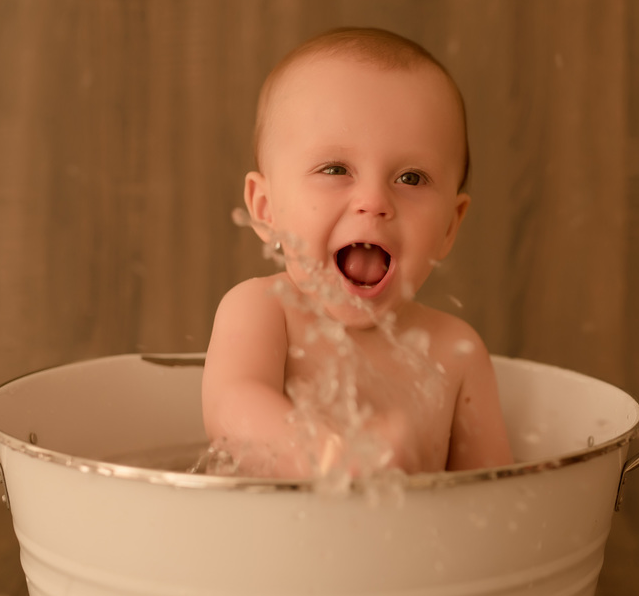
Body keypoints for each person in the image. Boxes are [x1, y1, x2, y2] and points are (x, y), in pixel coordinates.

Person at [201, 27, 513, 479]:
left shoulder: (457, 354)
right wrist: (334, 459)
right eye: (335, 169)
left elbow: (499, 500)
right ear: (266, 209)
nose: (374, 201)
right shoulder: (262, 312)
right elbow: (234, 411)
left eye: (411, 178)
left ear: (450, 226)